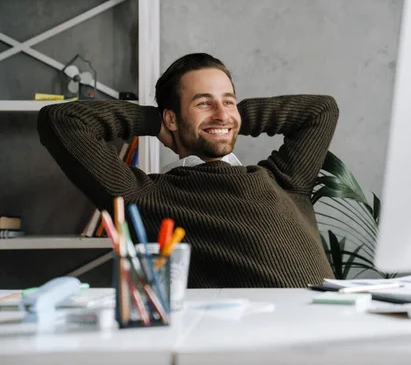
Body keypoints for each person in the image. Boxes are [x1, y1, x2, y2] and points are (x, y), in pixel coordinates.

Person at [38, 53, 338, 288]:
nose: (221, 112)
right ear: (171, 118)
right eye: (203, 103)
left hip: (340, 326)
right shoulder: (144, 196)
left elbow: (320, 110)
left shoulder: (284, 180)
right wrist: (157, 121)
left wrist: (227, 119)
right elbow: (63, 119)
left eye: (228, 101)